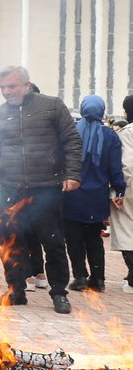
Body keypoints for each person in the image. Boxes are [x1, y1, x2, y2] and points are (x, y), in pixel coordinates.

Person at [0, 65, 81, 314]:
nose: (6, 92)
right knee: (10, 242)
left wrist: (73, 174)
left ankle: (59, 293)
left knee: (53, 243)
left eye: (11, 86)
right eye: (2, 87)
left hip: (46, 188)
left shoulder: (52, 106)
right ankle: (16, 291)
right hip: (11, 189)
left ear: (27, 84)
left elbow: (72, 141)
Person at [63, 95, 125, 293]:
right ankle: (98, 279)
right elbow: (115, 168)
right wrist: (119, 189)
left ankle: (80, 277)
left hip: (71, 195)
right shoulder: (110, 136)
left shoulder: (71, 133)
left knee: (74, 239)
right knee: (94, 239)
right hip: (97, 197)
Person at [110, 95, 133, 295]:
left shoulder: (127, 133)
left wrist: (120, 191)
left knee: (126, 231)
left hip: (130, 188)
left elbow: (127, 164)